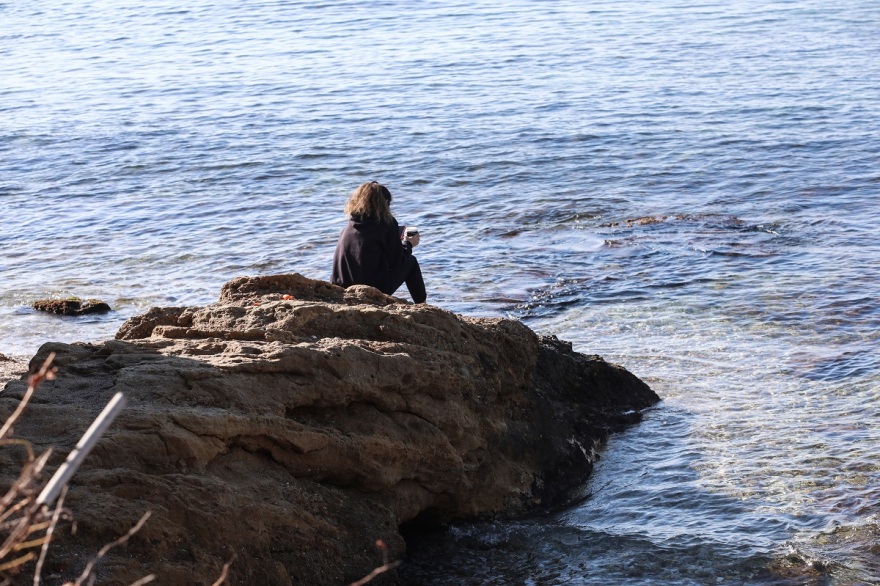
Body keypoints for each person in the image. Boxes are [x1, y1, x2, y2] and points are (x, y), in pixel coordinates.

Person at [331, 181, 427, 303]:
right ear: (385, 203)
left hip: (343, 288)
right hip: (372, 290)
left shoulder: (349, 227)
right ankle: (422, 304)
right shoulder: (387, 224)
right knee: (411, 262)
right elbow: (397, 262)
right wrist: (408, 244)